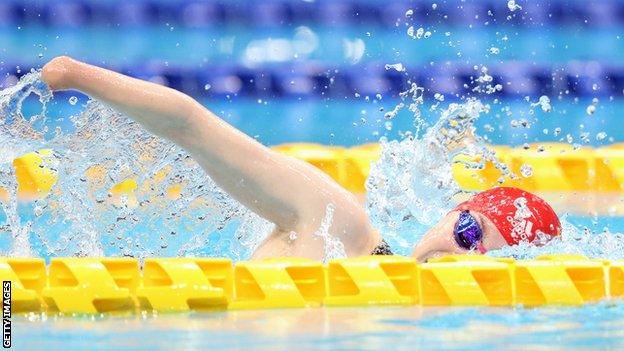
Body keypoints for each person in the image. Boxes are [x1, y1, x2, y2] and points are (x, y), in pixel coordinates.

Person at [41, 56, 561, 262]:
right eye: (469, 232)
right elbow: (192, 127)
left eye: (486, 257)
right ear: (453, 211)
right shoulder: (336, 225)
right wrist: (76, 76)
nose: (460, 253)